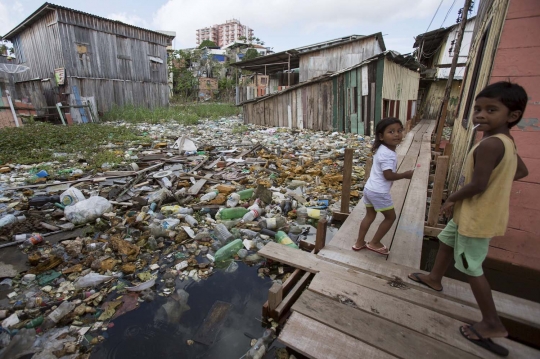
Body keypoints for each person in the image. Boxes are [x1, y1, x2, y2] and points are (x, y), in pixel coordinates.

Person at [408, 81, 529, 357]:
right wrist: (499, 182)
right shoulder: (506, 142)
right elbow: (520, 171)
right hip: (469, 214)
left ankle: (491, 322)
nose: (481, 115)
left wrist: (451, 198)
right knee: (446, 241)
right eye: (477, 109)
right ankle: (434, 278)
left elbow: (478, 184)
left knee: (471, 267)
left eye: (491, 109)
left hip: (476, 217)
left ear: (512, 116)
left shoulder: (490, 145)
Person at [352, 117, 414, 255]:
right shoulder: (389, 155)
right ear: (381, 136)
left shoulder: (381, 148)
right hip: (379, 192)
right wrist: (405, 174)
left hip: (369, 189)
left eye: (399, 130)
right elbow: (388, 175)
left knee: (369, 216)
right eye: (391, 132)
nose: (396, 134)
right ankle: (374, 243)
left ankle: (359, 242)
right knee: (390, 217)